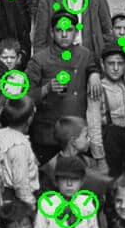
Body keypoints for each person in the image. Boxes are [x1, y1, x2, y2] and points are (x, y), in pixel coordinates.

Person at [27, 10, 96, 166]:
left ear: (76, 32)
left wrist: (94, 74)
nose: (64, 35)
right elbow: (25, 96)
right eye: (59, 30)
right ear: (52, 33)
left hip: (76, 137)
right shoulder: (39, 60)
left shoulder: (85, 55)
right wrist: (46, 89)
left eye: (69, 30)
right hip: (48, 136)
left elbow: (92, 67)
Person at [89, 41, 125, 176]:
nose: (115, 68)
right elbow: (94, 125)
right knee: (112, 185)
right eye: (111, 63)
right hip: (110, 144)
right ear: (102, 64)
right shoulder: (98, 88)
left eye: (120, 64)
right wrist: (100, 159)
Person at [0, 95, 41, 208]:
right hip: (14, 202)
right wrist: (32, 208)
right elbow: (21, 186)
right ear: (29, 119)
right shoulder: (19, 147)